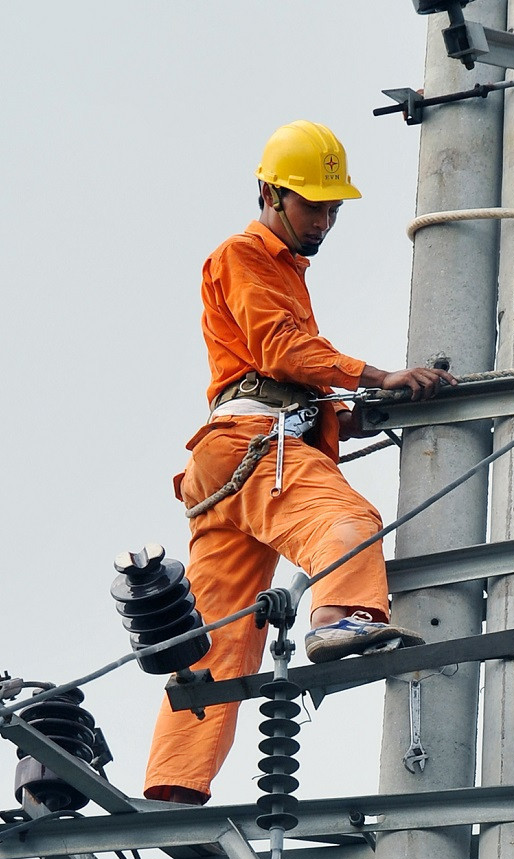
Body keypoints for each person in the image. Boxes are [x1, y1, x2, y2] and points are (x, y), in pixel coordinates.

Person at [144, 120, 455, 805]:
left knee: (216, 639)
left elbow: (284, 376)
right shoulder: (245, 256)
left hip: (231, 460)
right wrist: (377, 375)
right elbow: (282, 351)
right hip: (253, 447)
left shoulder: (281, 270)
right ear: (269, 193)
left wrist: (357, 409)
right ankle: (339, 615)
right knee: (346, 522)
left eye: (332, 209)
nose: (324, 221)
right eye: (313, 205)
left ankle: (173, 786)